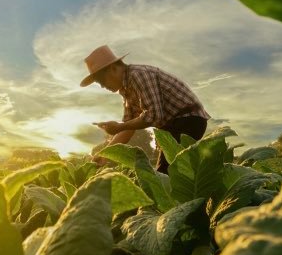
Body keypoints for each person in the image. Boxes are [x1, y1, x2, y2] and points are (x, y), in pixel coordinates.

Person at [80, 45, 211, 173]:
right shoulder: (126, 90)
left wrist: (119, 127)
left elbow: (154, 116)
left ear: (113, 68)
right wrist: (105, 154)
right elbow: (128, 128)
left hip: (188, 120)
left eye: (102, 81)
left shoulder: (138, 75)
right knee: (174, 173)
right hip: (172, 127)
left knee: (165, 174)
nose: (103, 86)